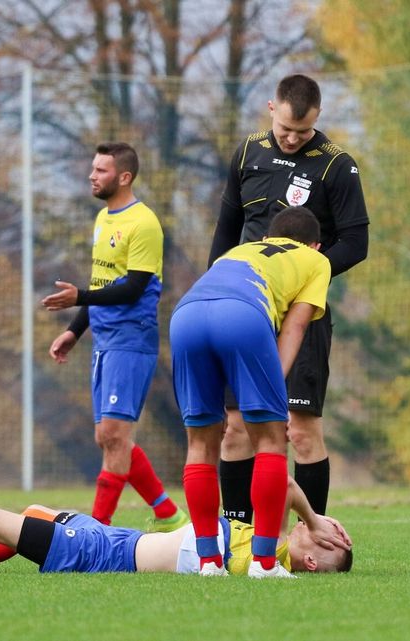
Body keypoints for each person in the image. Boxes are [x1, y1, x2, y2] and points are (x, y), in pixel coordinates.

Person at [209, 73, 370, 522]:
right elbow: (226, 230)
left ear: (317, 119)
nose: (294, 138)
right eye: (285, 130)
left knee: (298, 431)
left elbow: (356, 244)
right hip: (247, 311)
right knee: (237, 427)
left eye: (303, 131)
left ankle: (311, 532)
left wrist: (303, 276)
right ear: (270, 109)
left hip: (304, 309)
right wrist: (216, 287)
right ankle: (237, 534)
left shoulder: (337, 165)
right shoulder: (247, 152)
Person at [173, 206, 331, 577]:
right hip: (242, 315)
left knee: (201, 444)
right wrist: (273, 396)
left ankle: (209, 562)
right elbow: (295, 328)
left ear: (267, 237)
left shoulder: (238, 251)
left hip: (186, 316)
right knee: (271, 441)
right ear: (315, 244)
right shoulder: (315, 260)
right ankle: (264, 563)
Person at [41, 142, 188, 533]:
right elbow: (103, 283)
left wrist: (81, 298)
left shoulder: (143, 223)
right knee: (107, 436)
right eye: (93, 168)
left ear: (124, 177)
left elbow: (135, 287)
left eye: (101, 170)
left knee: (116, 435)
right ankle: (167, 514)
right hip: (105, 339)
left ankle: (98, 529)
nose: (92, 175)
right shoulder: (104, 218)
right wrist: (75, 330)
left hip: (131, 338)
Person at [0, 477, 351, 577]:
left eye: (331, 536)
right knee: (32, 514)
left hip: (102, 555)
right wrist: (310, 520)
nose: (328, 526)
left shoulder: (266, 562)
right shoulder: (267, 545)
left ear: (311, 558)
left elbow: (281, 486)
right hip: (117, 539)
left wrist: (309, 517)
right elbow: (275, 485)